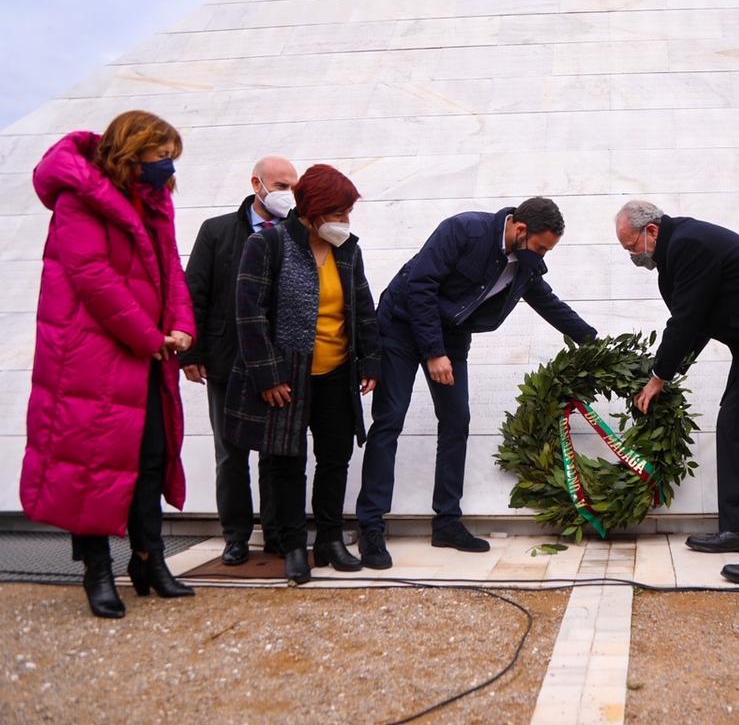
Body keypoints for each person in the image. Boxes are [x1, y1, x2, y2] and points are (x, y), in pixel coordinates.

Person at [21, 111, 197, 618]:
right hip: (91, 358)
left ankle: (149, 558)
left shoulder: (154, 202)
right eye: (161, 156)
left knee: (149, 456)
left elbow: (171, 269)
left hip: (146, 352)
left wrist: (181, 326)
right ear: (132, 150)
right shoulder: (79, 201)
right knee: (92, 464)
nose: (167, 166)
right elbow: (92, 277)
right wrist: (150, 336)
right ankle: (97, 570)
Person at [355, 197, 596, 567]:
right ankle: (371, 526)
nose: (544, 256)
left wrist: (593, 341)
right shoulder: (464, 230)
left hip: (451, 336)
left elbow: (548, 303)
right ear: (519, 229)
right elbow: (420, 285)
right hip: (401, 326)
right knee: (390, 419)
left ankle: (447, 522)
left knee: (456, 422)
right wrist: (434, 352)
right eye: (542, 246)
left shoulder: (524, 266)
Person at [614, 200, 739, 583]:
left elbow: (686, 319)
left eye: (631, 246)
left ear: (650, 232)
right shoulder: (677, 247)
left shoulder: (687, 244)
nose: (632, 255)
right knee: (734, 426)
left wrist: (658, 378)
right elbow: (699, 321)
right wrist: (670, 374)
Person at [224, 164, 380, 585]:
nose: (345, 222)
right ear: (312, 211)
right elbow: (249, 313)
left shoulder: (348, 250)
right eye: (339, 213)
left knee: (335, 458)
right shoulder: (269, 244)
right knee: (285, 463)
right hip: (287, 375)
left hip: (336, 372)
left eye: (348, 213)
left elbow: (362, 308)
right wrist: (268, 375)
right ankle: (293, 546)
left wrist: (369, 362)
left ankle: (330, 539)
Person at [181, 156, 298, 566]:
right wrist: (191, 352)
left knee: (273, 451)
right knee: (230, 452)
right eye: (280, 185)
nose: (288, 194)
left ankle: (276, 532)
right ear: (257, 183)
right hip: (224, 360)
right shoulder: (216, 232)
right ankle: (235, 535)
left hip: (275, 361)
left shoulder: (293, 234)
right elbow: (193, 290)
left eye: (292, 187)